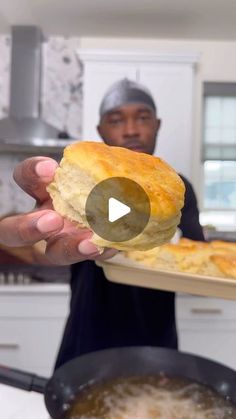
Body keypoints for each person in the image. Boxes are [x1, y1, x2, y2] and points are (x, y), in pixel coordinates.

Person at [0, 79, 204, 370]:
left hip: (155, 341)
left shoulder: (177, 190)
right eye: (116, 119)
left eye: (143, 118)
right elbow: (41, 248)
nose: (131, 129)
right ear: (100, 131)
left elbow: (195, 256)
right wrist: (41, 233)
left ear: (157, 125)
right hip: (87, 336)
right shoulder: (82, 180)